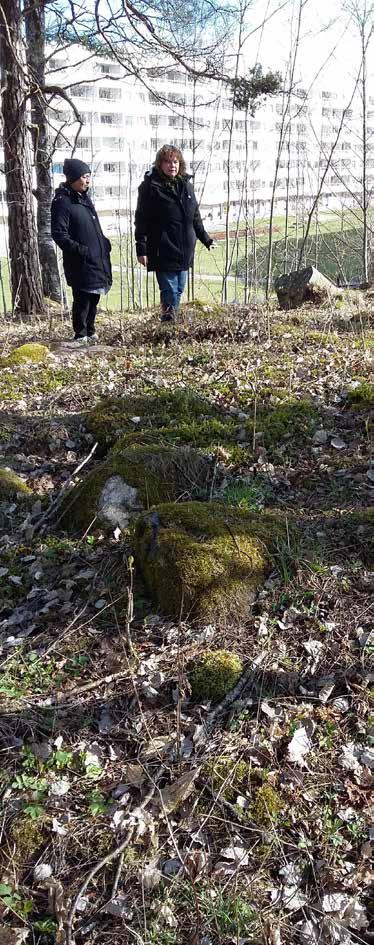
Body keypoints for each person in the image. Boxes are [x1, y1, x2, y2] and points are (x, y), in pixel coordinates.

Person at [135, 144, 213, 322]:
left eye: (175, 162)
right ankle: (168, 326)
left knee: (178, 290)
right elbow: (141, 219)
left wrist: (206, 239)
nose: (172, 165)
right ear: (160, 164)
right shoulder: (150, 187)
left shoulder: (186, 185)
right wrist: (141, 248)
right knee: (169, 291)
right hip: (162, 248)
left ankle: (172, 322)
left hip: (184, 249)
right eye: (168, 162)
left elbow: (195, 217)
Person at [51, 158, 112, 347]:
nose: (87, 181)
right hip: (80, 261)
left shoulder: (84, 199)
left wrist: (104, 242)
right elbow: (59, 234)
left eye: (88, 177)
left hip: (96, 258)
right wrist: (80, 250)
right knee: (83, 299)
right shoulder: (63, 201)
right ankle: (80, 334)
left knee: (94, 297)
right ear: (73, 178)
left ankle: (90, 331)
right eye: (84, 177)